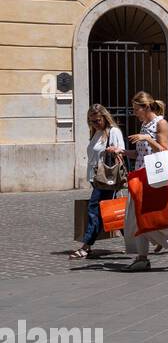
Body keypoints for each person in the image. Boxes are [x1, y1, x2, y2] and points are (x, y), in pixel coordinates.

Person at [121, 91, 168, 271]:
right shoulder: (144, 124)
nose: (134, 113)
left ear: (146, 107)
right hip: (139, 174)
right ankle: (142, 258)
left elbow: (164, 151)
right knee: (135, 218)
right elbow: (141, 154)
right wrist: (123, 152)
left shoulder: (161, 123)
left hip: (153, 177)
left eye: (136, 109)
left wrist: (148, 138)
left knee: (149, 217)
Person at [71, 104, 127, 259]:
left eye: (97, 120)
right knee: (111, 213)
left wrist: (114, 151)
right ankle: (136, 241)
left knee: (94, 210)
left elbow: (121, 151)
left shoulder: (113, 132)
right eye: (92, 121)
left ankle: (86, 246)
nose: (95, 124)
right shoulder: (97, 133)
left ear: (104, 117)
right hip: (96, 178)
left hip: (107, 179)